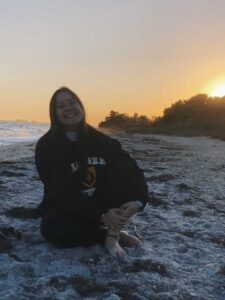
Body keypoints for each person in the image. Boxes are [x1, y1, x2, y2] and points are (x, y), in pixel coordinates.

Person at [35, 87, 148, 258]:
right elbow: (60, 193)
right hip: (67, 208)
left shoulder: (101, 140)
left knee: (123, 167)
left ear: (81, 107)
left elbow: (133, 167)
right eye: (61, 105)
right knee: (51, 228)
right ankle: (109, 235)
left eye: (72, 102)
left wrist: (139, 201)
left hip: (101, 201)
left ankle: (113, 234)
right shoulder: (46, 146)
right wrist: (102, 215)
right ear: (54, 113)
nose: (68, 108)